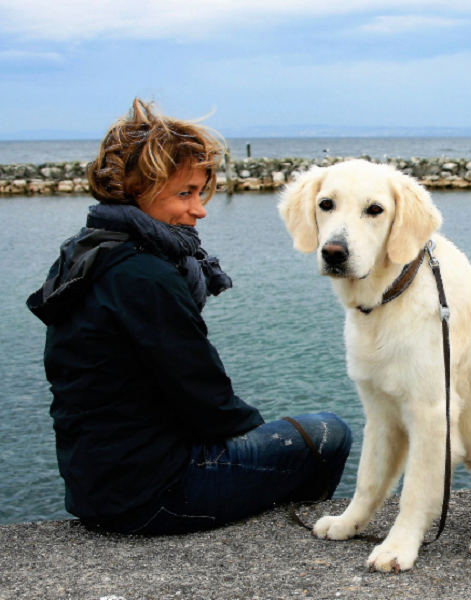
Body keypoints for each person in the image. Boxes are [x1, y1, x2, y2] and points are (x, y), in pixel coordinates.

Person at [27, 99, 351, 535]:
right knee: (329, 433)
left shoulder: (86, 251)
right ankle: (284, 537)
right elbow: (211, 403)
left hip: (96, 487)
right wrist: (255, 440)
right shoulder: (145, 276)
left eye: (200, 192)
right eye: (185, 193)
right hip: (155, 495)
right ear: (134, 188)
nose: (198, 210)